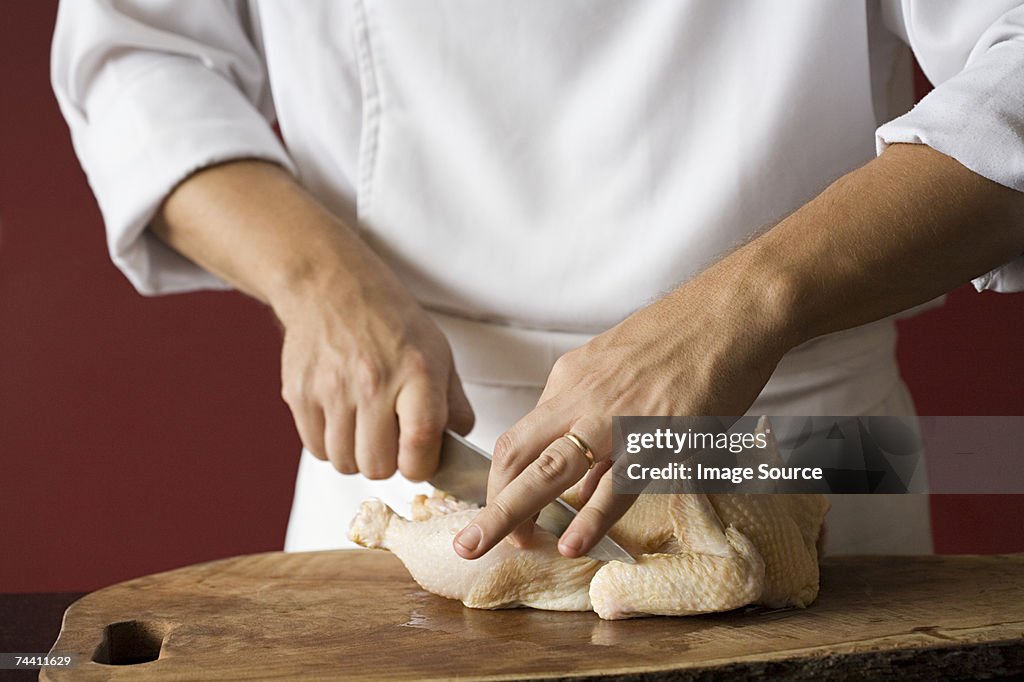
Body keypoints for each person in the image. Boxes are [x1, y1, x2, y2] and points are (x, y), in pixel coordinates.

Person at [52, 1, 1024, 559]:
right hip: (412, 459)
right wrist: (316, 280)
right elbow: (139, 49)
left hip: (798, 444)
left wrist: (748, 302)